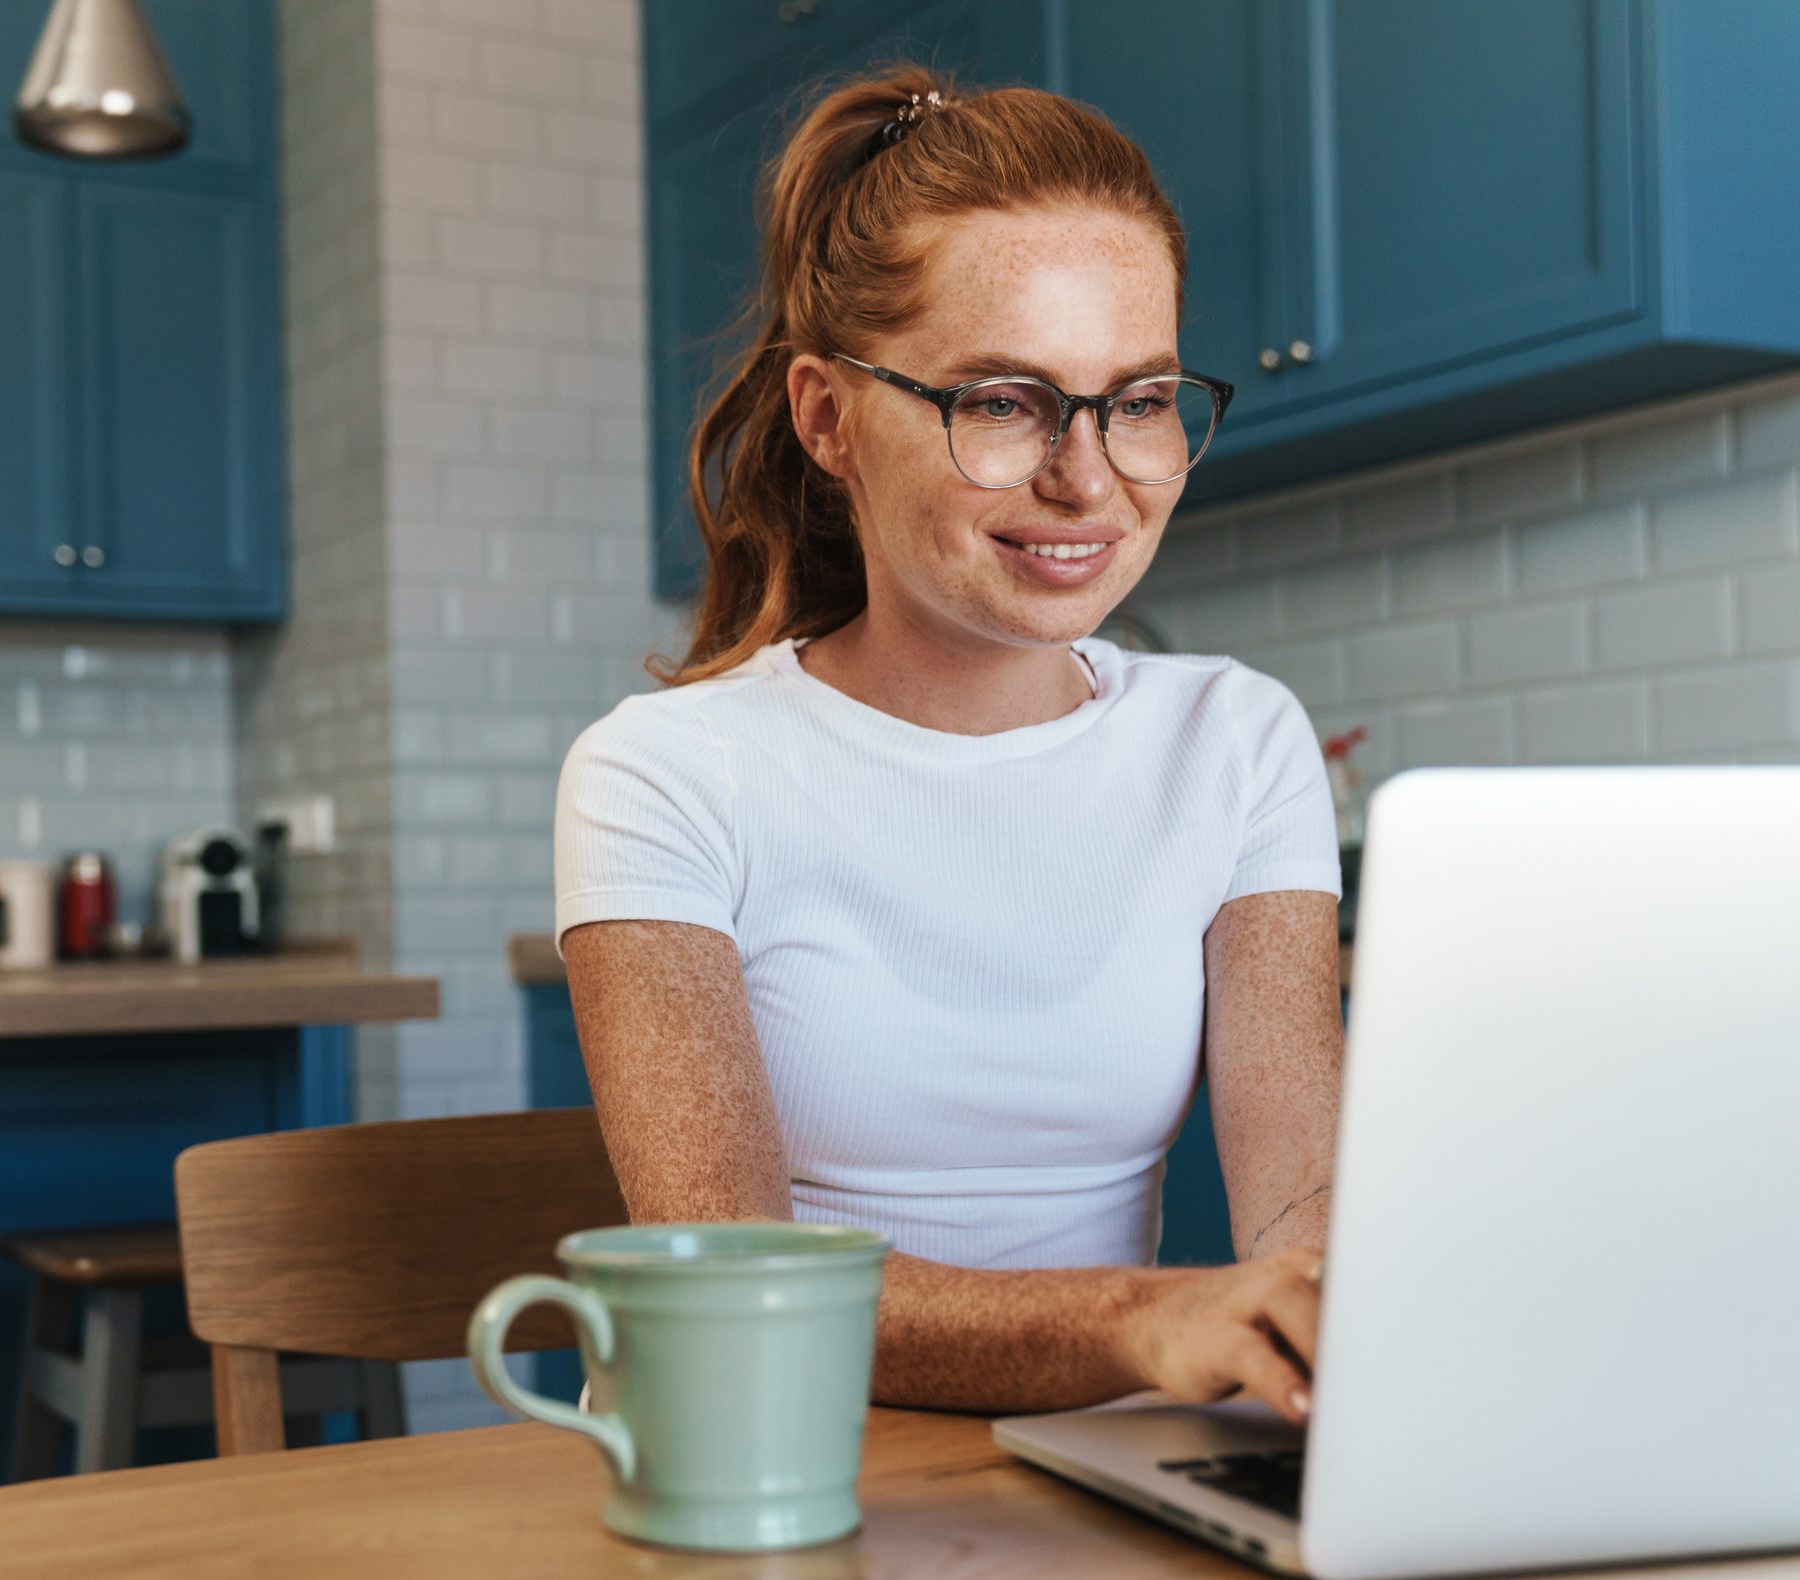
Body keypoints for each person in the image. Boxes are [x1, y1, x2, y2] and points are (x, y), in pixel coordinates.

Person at [554, 68, 1344, 1424]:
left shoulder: (1236, 740)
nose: (1088, 479)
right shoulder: (665, 777)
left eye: (1140, 399)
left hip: (1111, 1489)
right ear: (826, 418)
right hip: (770, 1485)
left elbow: (1302, 1208)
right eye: (1002, 401)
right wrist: (1152, 1318)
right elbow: (736, 1282)